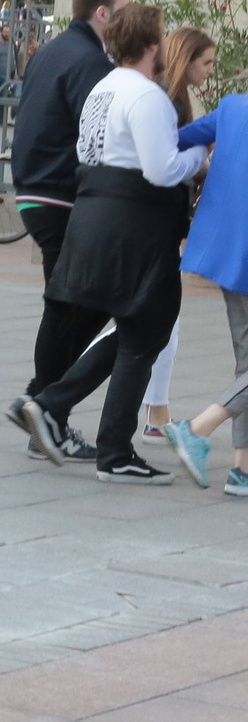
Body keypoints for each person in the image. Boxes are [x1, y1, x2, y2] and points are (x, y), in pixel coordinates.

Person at [9, 4, 206, 482]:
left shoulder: (103, 87)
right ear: (154, 44)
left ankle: (55, 407)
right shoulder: (146, 96)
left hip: (94, 211)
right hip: (134, 222)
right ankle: (109, 446)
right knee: (148, 327)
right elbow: (161, 168)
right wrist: (199, 157)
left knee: (136, 329)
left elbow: (88, 149)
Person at [7, 0, 130, 462]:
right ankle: (44, 406)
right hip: (62, 193)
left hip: (37, 189)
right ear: (102, 14)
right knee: (80, 302)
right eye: (124, 12)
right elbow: (98, 134)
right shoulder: (90, 63)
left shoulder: (55, 50)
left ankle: (42, 408)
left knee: (71, 303)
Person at [148, 47, 248, 494]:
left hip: (226, 251)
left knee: (247, 360)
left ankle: (242, 469)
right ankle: (198, 429)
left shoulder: (231, 108)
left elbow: (178, 138)